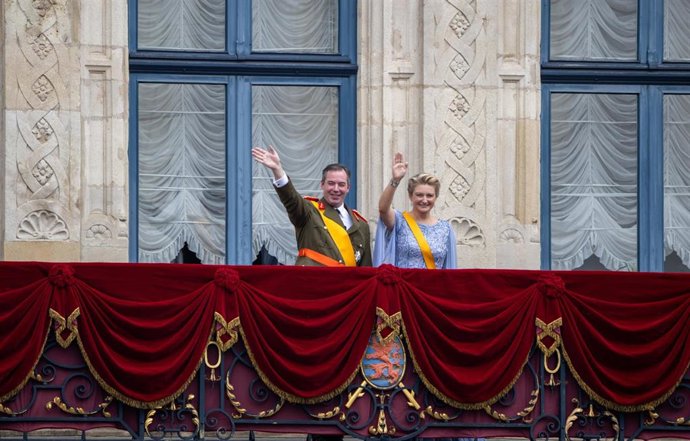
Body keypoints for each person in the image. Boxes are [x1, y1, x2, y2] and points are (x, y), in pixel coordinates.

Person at [251, 145, 372, 268]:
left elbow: (366, 270)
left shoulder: (361, 225)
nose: (336, 189)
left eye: (341, 184)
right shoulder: (309, 211)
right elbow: (291, 200)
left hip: (347, 286)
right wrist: (278, 170)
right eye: (331, 183)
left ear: (348, 188)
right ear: (322, 185)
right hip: (314, 283)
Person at [374, 152, 456, 269]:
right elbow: (383, 209)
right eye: (419, 195)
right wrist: (395, 180)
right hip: (403, 286)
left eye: (429, 195)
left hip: (432, 287)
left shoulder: (445, 228)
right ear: (410, 196)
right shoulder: (400, 221)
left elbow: (449, 269)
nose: (424, 200)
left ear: (436, 197)